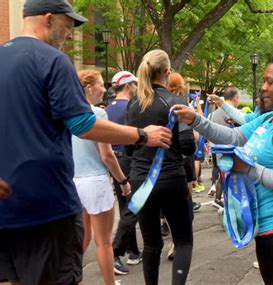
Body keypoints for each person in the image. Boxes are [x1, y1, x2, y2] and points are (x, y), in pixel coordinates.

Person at [0, 1, 171, 284]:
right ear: (48, 19)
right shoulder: (53, 60)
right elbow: (83, 124)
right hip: (48, 208)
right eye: (68, 27)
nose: (69, 36)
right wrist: (142, 135)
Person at [175, 52, 273, 285]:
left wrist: (249, 169)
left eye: (271, 82)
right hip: (270, 225)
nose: (263, 87)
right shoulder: (270, 118)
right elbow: (234, 137)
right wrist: (196, 120)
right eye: (263, 80)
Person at [127, 49, 196, 285]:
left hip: (140, 179)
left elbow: (128, 148)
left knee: (151, 244)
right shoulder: (177, 101)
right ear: (167, 72)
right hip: (170, 177)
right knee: (184, 240)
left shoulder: (134, 104)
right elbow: (187, 146)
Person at [73, 70, 131, 285]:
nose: (104, 89)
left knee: (83, 236)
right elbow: (106, 155)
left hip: (73, 181)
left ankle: (72, 278)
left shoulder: (65, 113)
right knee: (104, 242)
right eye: (100, 84)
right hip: (96, 181)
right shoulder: (98, 114)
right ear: (89, 88)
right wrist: (123, 181)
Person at [106, 71, 142, 275]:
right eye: (134, 84)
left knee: (125, 206)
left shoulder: (108, 109)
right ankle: (117, 251)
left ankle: (133, 250)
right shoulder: (131, 107)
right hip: (129, 159)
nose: (136, 88)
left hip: (113, 159)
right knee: (134, 206)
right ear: (128, 86)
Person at [168, 71, 202, 212]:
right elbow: (194, 136)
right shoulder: (181, 105)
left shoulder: (156, 103)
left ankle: (164, 219)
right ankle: (187, 208)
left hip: (162, 159)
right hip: (182, 155)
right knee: (185, 191)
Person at [208, 87, 242, 208]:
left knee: (222, 174)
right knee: (233, 176)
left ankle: (218, 198)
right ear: (236, 98)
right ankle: (230, 202)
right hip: (232, 150)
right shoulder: (236, 114)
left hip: (216, 149)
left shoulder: (212, 115)